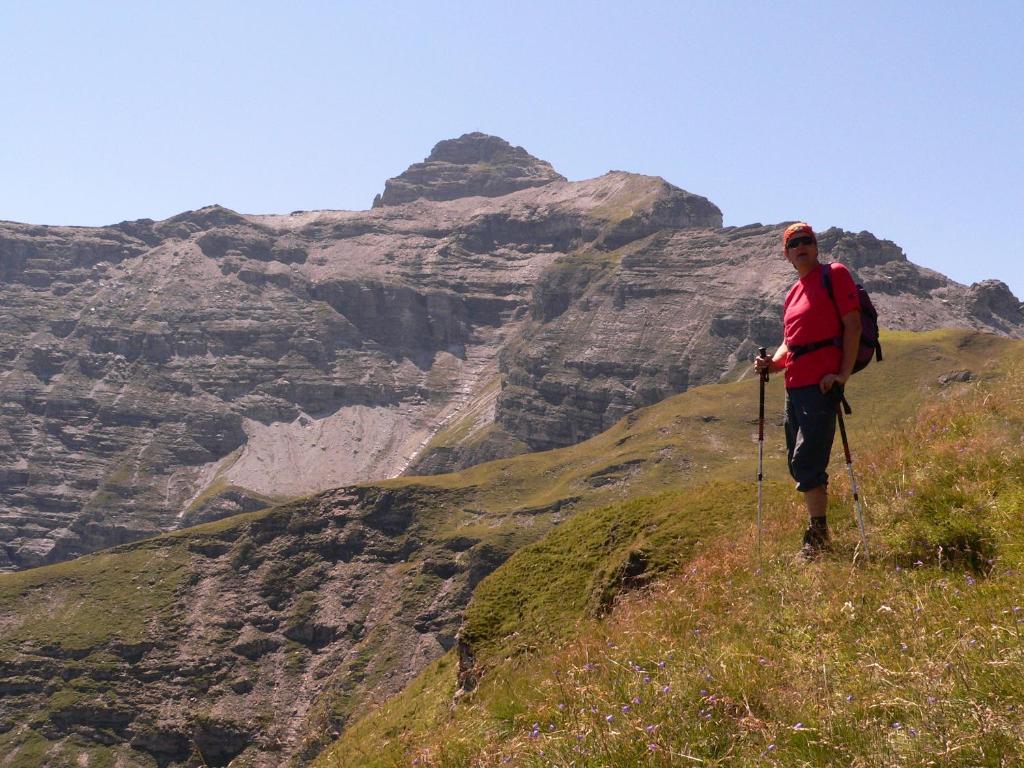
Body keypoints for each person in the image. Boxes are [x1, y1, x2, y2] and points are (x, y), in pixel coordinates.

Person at [755, 222, 861, 558]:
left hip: (821, 384)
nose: (801, 247)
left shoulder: (835, 274)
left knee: (807, 459)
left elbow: (853, 324)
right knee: (797, 460)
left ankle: (817, 538)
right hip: (794, 386)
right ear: (786, 254)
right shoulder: (792, 293)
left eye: (806, 241)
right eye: (794, 244)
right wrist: (773, 364)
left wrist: (842, 375)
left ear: (815, 247)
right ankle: (819, 535)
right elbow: (791, 342)